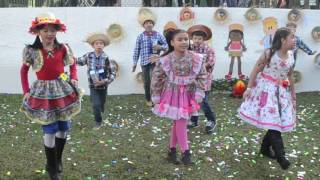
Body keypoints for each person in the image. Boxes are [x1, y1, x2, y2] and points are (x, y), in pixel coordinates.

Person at [20, 12, 81, 180]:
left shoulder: (63, 48)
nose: (49, 34)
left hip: (62, 90)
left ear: (57, 31)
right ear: (38, 32)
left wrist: (74, 78)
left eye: (53, 30)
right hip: (43, 93)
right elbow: (23, 71)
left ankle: (57, 159)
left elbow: (73, 64)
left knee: (63, 128)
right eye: (45, 30)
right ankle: (52, 169)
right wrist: (26, 90)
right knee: (50, 128)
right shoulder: (31, 51)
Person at [238, 27, 296, 170]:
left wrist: (293, 93)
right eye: (292, 37)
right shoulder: (269, 53)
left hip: (281, 92)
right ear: (283, 39)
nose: (295, 40)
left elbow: (289, 75)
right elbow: (256, 69)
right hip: (266, 91)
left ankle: (265, 148)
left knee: (275, 121)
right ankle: (281, 157)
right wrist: (249, 88)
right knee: (274, 122)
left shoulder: (291, 55)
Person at [151, 29, 207, 165]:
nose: (183, 42)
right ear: (172, 42)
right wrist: (156, 96)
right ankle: (186, 152)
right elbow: (156, 78)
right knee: (181, 120)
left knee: (178, 121)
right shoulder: (165, 60)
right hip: (172, 95)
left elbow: (202, 75)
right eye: (180, 39)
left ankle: (172, 151)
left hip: (189, 94)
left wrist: (200, 90)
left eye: (186, 39)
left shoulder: (196, 58)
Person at [77, 33, 116, 129]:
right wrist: (67, 56)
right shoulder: (88, 56)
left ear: (104, 45)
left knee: (101, 103)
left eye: (101, 43)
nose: (99, 45)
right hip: (93, 86)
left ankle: (100, 109)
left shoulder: (107, 58)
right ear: (93, 45)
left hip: (103, 86)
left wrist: (105, 81)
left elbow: (113, 73)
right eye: (97, 43)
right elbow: (78, 61)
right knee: (95, 104)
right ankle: (98, 121)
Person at [133, 10, 168, 107]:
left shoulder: (158, 35)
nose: (149, 25)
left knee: (155, 81)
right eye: (147, 23)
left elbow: (167, 46)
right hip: (144, 62)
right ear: (143, 25)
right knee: (147, 82)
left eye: (150, 23)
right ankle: (148, 99)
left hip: (155, 62)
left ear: (153, 24)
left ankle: (155, 98)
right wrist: (134, 63)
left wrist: (160, 47)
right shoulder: (140, 36)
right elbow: (136, 50)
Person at [187, 25, 217, 133]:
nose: (197, 40)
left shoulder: (209, 49)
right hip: (192, 79)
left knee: (203, 101)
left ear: (204, 39)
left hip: (204, 79)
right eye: (195, 38)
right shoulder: (189, 48)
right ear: (192, 38)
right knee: (191, 99)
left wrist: (202, 66)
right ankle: (194, 120)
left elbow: (211, 62)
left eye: (199, 38)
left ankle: (211, 120)